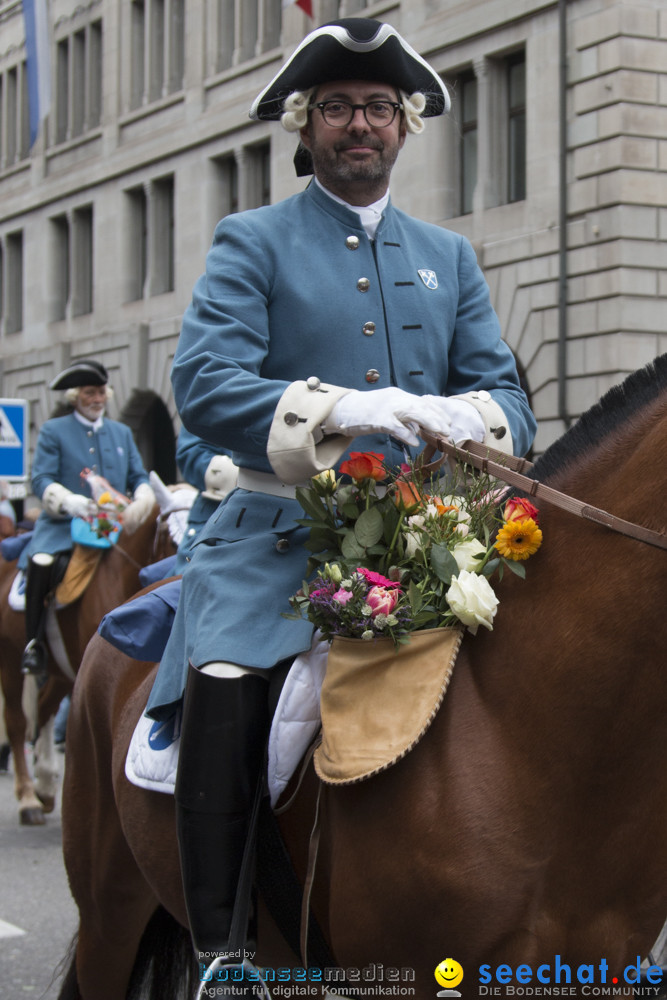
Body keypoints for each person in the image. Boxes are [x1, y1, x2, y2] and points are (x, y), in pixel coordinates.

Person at [146, 17, 537, 962]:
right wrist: (345, 411)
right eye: (334, 109)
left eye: (374, 107)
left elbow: (514, 404)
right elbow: (201, 385)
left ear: (403, 127)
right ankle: (221, 955)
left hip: (427, 536)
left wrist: (466, 419)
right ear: (304, 127)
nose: (356, 124)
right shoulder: (253, 240)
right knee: (229, 684)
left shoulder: (450, 256)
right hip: (275, 539)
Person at [19, 360, 156, 675]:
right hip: (65, 526)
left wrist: (144, 494)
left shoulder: (121, 433)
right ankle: (34, 644)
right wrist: (70, 502)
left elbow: (138, 476)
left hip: (116, 526)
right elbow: (40, 479)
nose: (97, 399)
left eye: (101, 392)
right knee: (40, 561)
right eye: (89, 393)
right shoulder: (55, 430)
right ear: (75, 397)